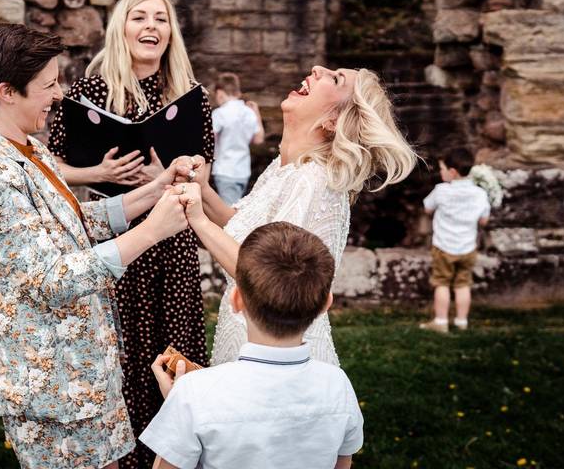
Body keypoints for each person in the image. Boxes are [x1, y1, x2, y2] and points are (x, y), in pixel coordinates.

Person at [0, 23, 191, 469]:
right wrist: (151, 231)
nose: (59, 94)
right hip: (53, 392)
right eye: (48, 85)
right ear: (7, 92)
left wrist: (154, 191)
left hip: (85, 373)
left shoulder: (29, 150)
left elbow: (76, 225)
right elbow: (50, 280)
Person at [48, 0, 214, 469]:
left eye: (161, 19)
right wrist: (101, 173)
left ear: (170, 32)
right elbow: (55, 167)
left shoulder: (188, 93)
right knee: (121, 350)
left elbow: (206, 166)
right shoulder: (91, 90)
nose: (151, 27)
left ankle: (177, 456)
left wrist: (177, 169)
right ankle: (122, 456)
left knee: (174, 345)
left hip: (174, 238)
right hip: (114, 236)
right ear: (121, 28)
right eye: (139, 17)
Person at [172, 65, 417, 366]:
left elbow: (269, 276)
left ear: (333, 120)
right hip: (247, 333)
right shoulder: (284, 168)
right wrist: (203, 189)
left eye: (335, 79)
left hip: (277, 352)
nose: (317, 68)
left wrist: (198, 220)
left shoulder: (313, 181)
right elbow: (241, 227)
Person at [140, 222, 364, 469]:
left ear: (236, 300)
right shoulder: (337, 384)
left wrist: (179, 404)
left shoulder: (192, 392)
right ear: (326, 304)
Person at [419, 147, 491, 333]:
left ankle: (441, 322)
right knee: (462, 284)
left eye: (442, 169)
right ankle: (461, 321)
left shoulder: (441, 191)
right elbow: (483, 220)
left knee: (442, 283)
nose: (440, 172)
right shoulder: (480, 194)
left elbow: (427, 208)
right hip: (467, 248)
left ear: (452, 172)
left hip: (443, 246)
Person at [210, 72, 265, 204]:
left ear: (220, 93)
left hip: (225, 169)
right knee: (236, 205)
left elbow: (209, 138)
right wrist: (257, 113)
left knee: (229, 212)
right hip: (243, 170)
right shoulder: (249, 112)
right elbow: (258, 139)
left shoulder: (220, 113)